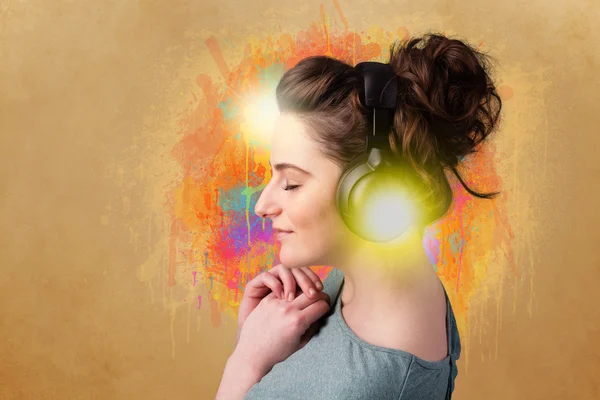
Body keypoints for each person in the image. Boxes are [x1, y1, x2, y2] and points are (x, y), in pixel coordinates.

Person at [216, 32, 502, 400]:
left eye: (290, 183)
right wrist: (259, 342)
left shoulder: (364, 385)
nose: (262, 205)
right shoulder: (373, 285)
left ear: (369, 190)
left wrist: (245, 363)